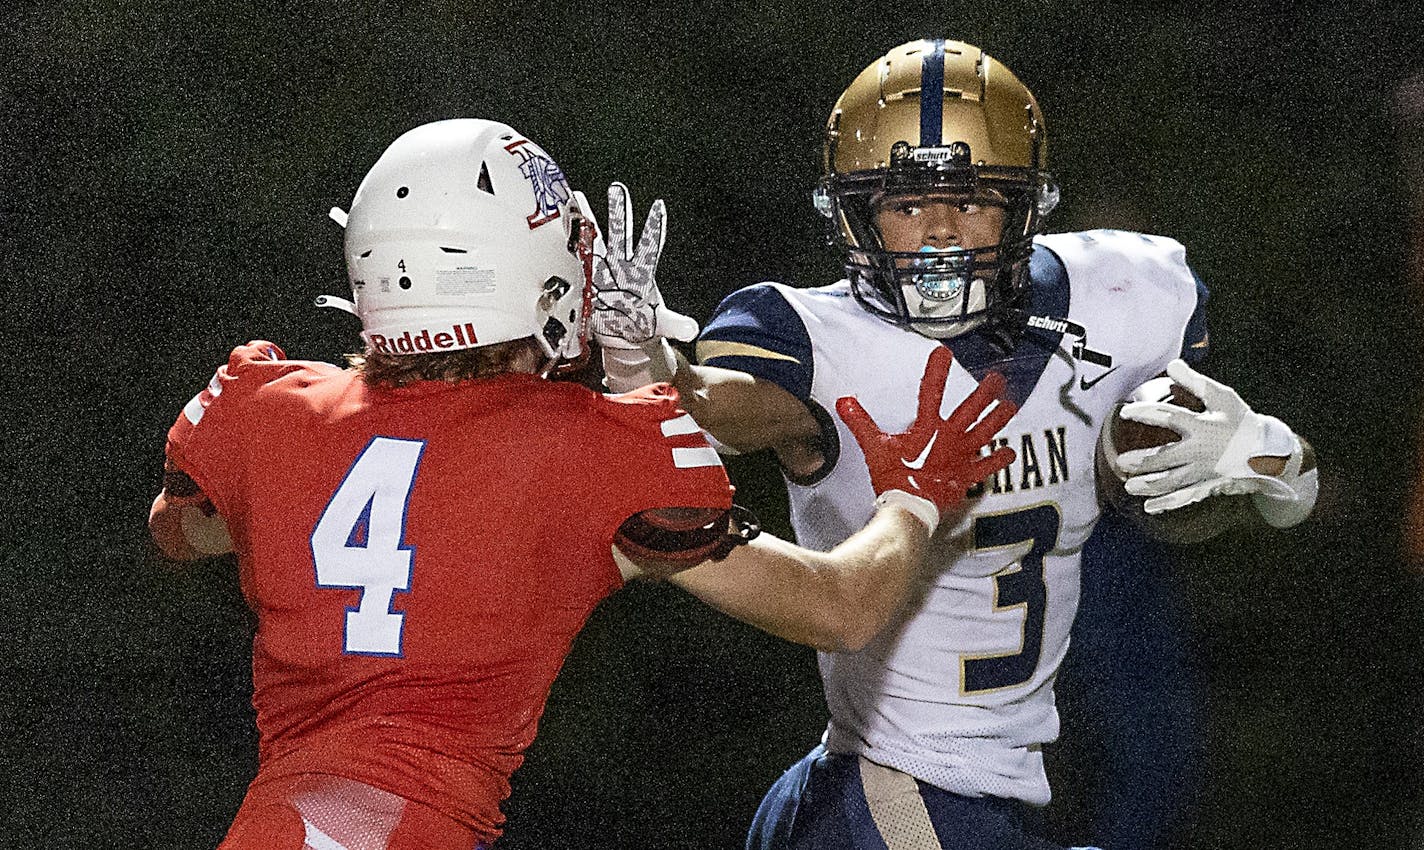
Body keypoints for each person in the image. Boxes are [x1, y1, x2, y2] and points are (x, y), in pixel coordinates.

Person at [147, 118, 1019, 850]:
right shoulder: (590, 450)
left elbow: (181, 531)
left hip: (299, 818)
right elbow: (838, 608)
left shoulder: (269, 408)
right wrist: (914, 493)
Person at [593, 39, 1319, 849]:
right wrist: (640, 358)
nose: (940, 233)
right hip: (893, 791)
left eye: (970, 200)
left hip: (958, 799)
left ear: (1024, 206)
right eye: (906, 205)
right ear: (854, 214)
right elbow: (701, 407)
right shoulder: (819, 339)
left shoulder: (1122, 295)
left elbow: (1221, 503)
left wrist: (1267, 454)